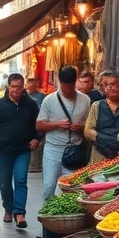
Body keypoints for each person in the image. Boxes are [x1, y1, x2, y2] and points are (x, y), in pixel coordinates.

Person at [0, 73, 41, 229]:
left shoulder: (30, 104)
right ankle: (8, 209)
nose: (16, 90)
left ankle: (19, 213)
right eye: (13, 87)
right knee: (5, 183)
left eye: (19, 87)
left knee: (21, 180)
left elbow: (38, 124)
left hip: (23, 150)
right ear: (8, 87)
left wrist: (37, 138)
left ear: (23, 87)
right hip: (3, 151)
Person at [36, 64, 91, 199]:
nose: (68, 89)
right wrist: (57, 124)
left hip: (75, 150)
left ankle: (67, 219)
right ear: (60, 82)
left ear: (75, 81)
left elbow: (89, 126)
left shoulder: (85, 99)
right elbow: (39, 125)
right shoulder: (49, 100)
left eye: (71, 85)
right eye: (65, 85)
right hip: (53, 149)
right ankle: (47, 217)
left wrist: (81, 128)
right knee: (49, 187)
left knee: (72, 188)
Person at [84, 71, 119, 164]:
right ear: (102, 88)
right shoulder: (96, 106)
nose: (110, 87)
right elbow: (88, 131)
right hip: (99, 154)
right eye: (106, 84)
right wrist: (105, 140)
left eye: (114, 84)